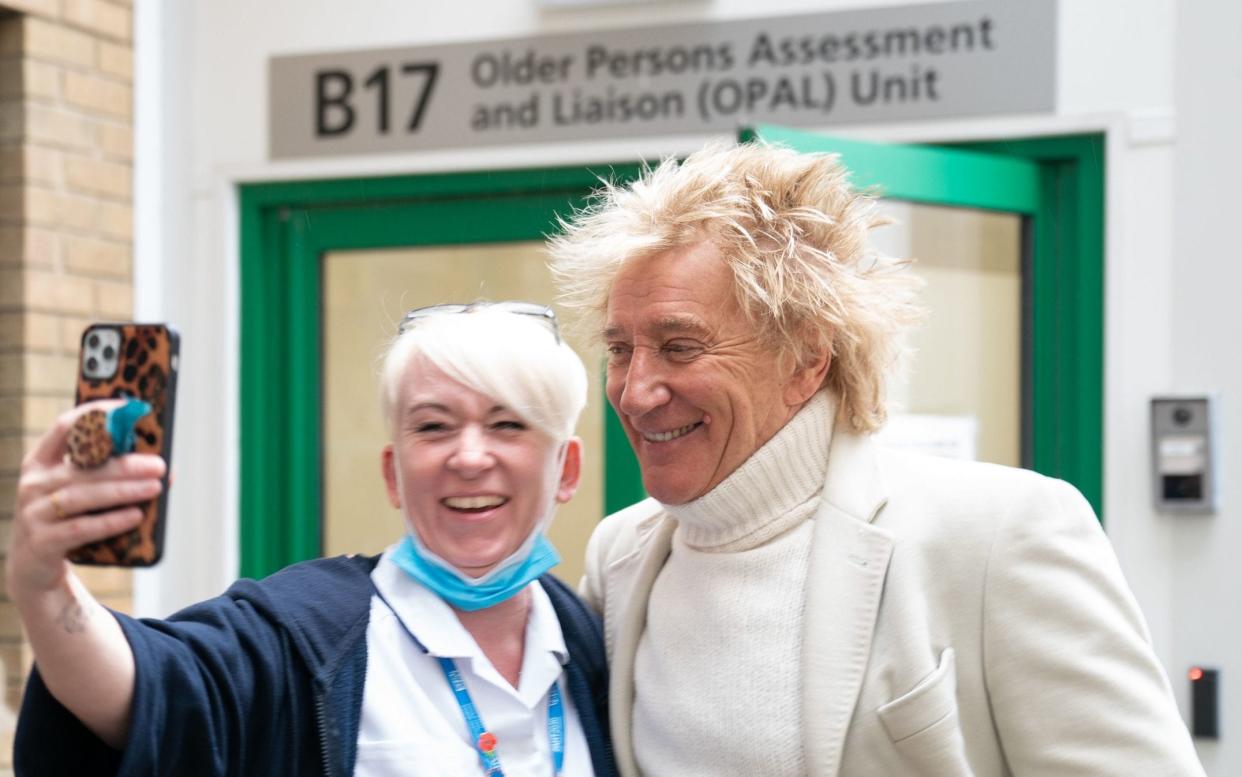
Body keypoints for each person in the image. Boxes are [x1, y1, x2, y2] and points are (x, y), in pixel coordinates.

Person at [547, 142, 1205, 777]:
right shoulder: (622, 559)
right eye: (621, 349)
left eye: (680, 347)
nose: (635, 390)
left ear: (807, 359)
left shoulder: (998, 535)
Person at [9, 302, 617, 777]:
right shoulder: (305, 634)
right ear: (392, 473)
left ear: (566, 470)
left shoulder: (594, 642)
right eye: (434, 426)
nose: (469, 456)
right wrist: (43, 586)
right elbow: (156, 693)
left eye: (508, 424)